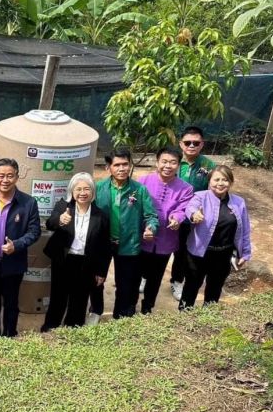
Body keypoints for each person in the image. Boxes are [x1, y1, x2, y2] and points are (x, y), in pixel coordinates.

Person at [0, 158, 41, 339]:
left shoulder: (28, 203)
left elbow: (34, 231)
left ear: (17, 177)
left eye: (10, 176)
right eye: (1, 175)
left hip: (13, 262)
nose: (5, 180)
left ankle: (9, 333)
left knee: (11, 300)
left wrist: (16, 245)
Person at [91, 148, 159, 321]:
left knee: (126, 283)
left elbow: (151, 216)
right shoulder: (98, 188)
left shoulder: (139, 190)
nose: (122, 168)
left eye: (125, 164)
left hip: (129, 243)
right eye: (117, 165)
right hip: (102, 243)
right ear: (108, 167)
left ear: (130, 165)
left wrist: (151, 228)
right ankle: (96, 311)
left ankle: (121, 316)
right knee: (96, 279)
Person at [41, 172, 110, 329]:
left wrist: (101, 271)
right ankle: (50, 327)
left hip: (86, 262)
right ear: (72, 191)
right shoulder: (63, 206)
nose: (82, 193)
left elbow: (105, 247)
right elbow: (49, 224)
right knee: (58, 296)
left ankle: (73, 328)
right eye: (78, 189)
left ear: (92, 191)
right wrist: (60, 220)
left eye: (86, 189)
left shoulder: (101, 216)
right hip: (64, 259)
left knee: (79, 298)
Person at [179, 165, 251, 309]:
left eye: (225, 180)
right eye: (216, 179)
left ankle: (208, 316)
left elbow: (245, 229)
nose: (220, 183)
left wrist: (245, 252)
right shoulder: (200, 197)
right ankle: (184, 316)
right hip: (198, 254)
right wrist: (194, 214)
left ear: (231, 183)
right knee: (191, 287)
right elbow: (190, 208)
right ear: (209, 181)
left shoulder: (239, 202)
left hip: (223, 255)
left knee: (214, 290)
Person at [137, 147, 193, 314]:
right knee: (136, 273)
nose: (168, 166)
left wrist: (177, 218)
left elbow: (183, 208)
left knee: (156, 276)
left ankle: (147, 307)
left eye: (173, 162)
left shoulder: (186, 188)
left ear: (179, 165)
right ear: (157, 162)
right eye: (164, 161)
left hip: (166, 239)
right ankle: (130, 306)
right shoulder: (143, 181)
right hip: (142, 237)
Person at [169, 126, 216, 301]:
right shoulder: (173, 162)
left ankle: (177, 281)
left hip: (193, 218)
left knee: (182, 252)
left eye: (196, 143)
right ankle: (145, 276)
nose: (191, 146)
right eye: (187, 142)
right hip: (170, 214)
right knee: (156, 247)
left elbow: (212, 191)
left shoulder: (208, 166)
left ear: (202, 144)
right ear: (181, 144)